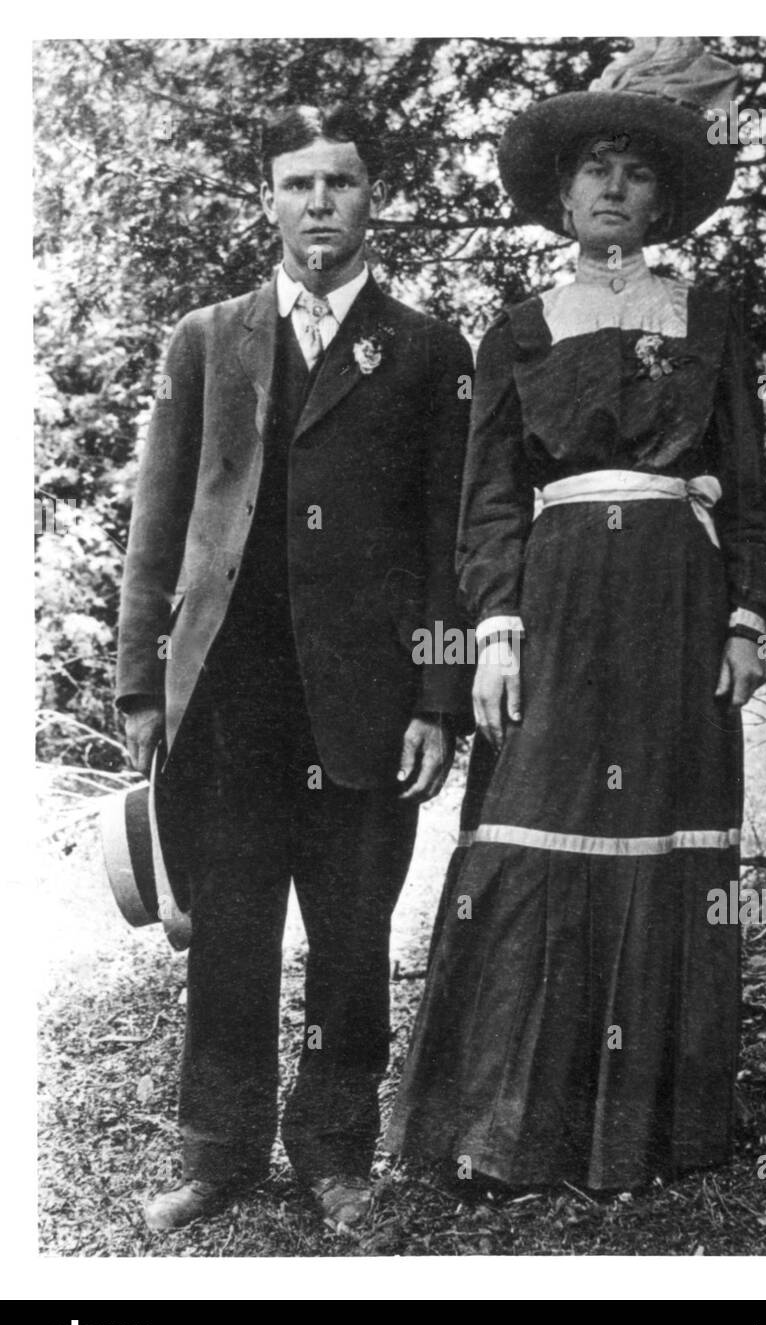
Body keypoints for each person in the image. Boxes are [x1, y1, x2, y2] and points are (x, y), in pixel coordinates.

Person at [387, 38, 766, 1193]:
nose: (611, 188)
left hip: (673, 594)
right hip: (556, 601)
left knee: (663, 825)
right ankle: (505, 1129)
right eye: (592, 170)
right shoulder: (513, 329)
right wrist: (493, 632)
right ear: (560, 196)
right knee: (532, 820)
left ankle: (653, 1131)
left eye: (635, 172)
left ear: (664, 198)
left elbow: (744, 481)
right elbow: (489, 496)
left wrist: (745, 618)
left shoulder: (710, 318)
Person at [116, 103, 473, 1231]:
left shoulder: (427, 352)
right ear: (266, 201)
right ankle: (217, 1151)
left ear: (372, 200)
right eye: (298, 183)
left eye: (341, 182)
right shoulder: (206, 340)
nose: (319, 203)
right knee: (226, 928)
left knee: (352, 932)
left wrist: (436, 697)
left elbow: (448, 547)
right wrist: (139, 687)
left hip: (364, 702)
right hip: (227, 693)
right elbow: (158, 522)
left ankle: (333, 1152)